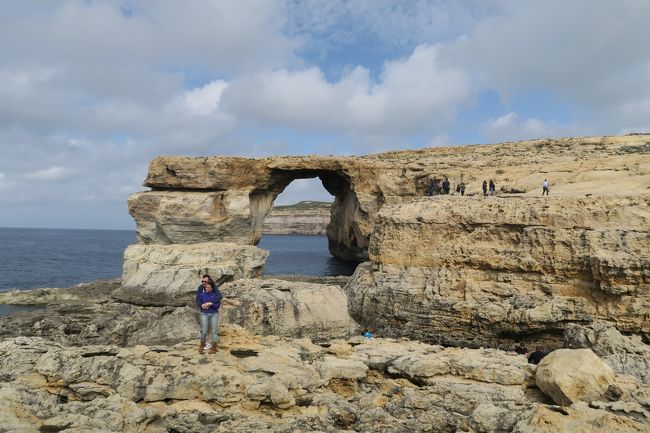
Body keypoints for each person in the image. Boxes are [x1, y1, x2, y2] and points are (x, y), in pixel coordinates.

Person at [196, 277, 222, 354]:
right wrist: (202, 305)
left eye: (208, 287)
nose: (206, 288)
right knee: (203, 331)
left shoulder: (215, 296)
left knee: (214, 331)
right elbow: (198, 302)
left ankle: (214, 347)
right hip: (204, 314)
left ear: (212, 288)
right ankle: (202, 345)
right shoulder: (201, 294)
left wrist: (210, 304)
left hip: (214, 314)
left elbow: (218, 306)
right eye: (206, 287)